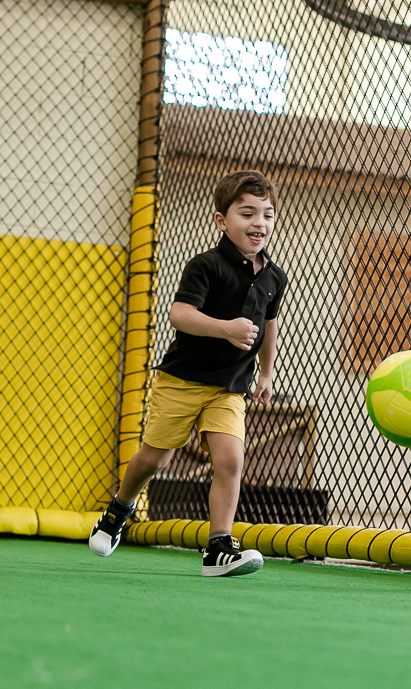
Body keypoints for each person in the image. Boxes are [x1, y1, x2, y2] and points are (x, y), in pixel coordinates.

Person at [89, 170, 287, 577]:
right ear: (221, 221)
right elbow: (180, 314)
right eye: (247, 213)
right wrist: (226, 328)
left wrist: (266, 374)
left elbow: (268, 325)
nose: (259, 223)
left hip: (229, 388)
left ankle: (218, 547)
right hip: (182, 381)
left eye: (267, 215)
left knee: (230, 460)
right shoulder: (206, 265)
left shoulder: (274, 277)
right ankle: (118, 509)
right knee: (154, 459)